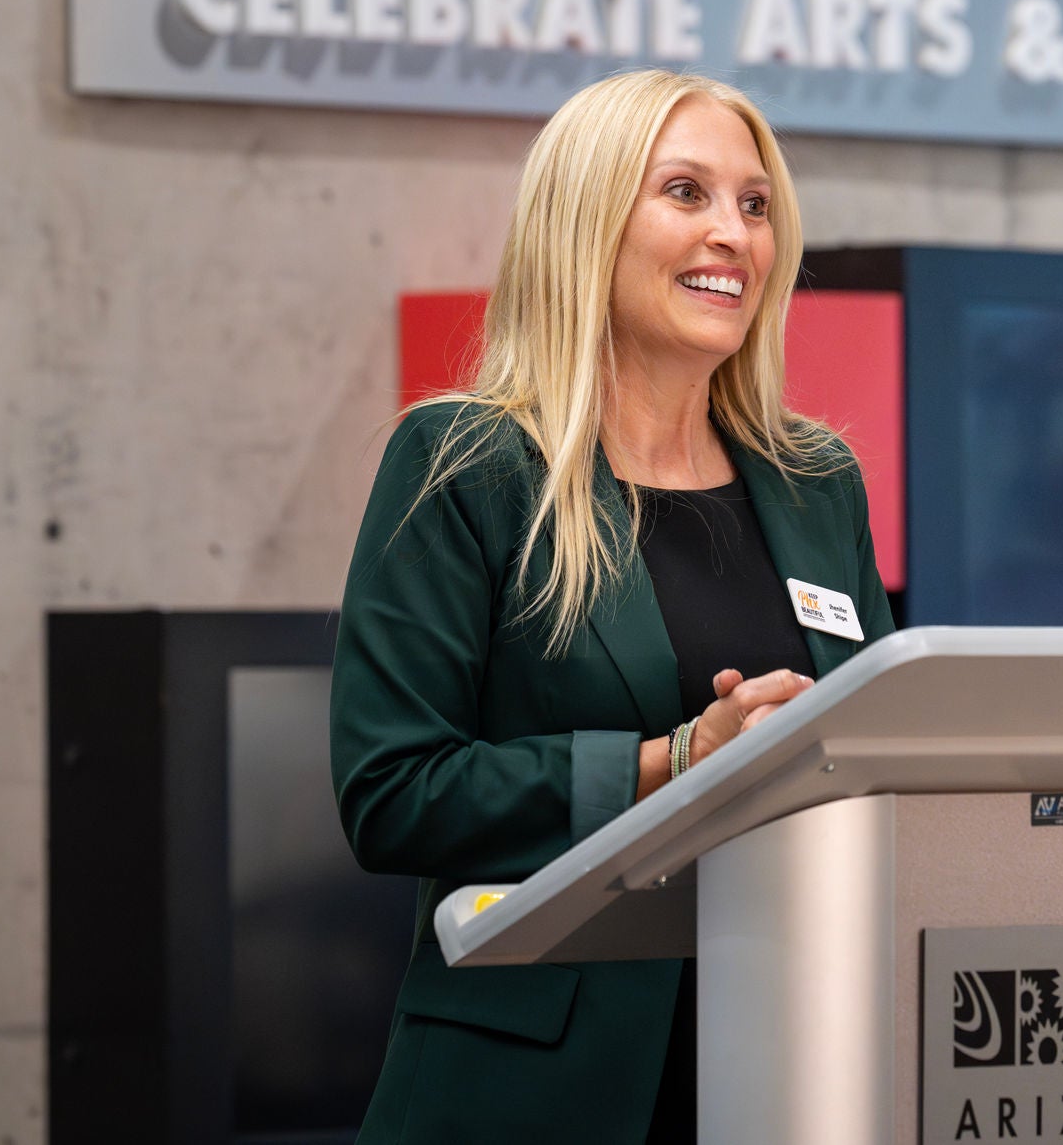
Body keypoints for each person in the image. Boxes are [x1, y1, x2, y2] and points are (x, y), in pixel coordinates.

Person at [330, 68, 896, 1144]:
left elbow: (862, 749)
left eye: (754, 203)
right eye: (685, 192)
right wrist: (672, 761)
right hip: (537, 1089)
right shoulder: (466, 461)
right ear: (584, 222)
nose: (731, 231)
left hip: (799, 1058)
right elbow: (392, 790)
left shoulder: (818, 479)